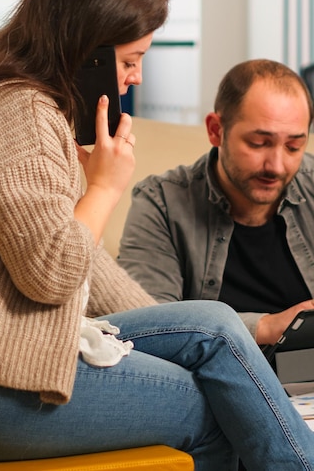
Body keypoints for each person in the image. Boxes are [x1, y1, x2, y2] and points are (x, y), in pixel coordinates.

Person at [0, 0, 313, 471]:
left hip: (9, 363)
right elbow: (52, 277)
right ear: (87, 53)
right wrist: (103, 187)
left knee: (213, 326)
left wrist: (199, 335)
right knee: (222, 405)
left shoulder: (28, 108)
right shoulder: (19, 114)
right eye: (130, 60)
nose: (137, 77)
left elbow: (94, 273)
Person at [117, 59, 314, 348]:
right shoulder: (161, 203)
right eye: (259, 143)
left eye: (293, 147)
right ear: (215, 130)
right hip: (211, 379)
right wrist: (265, 327)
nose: (276, 165)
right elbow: (147, 330)